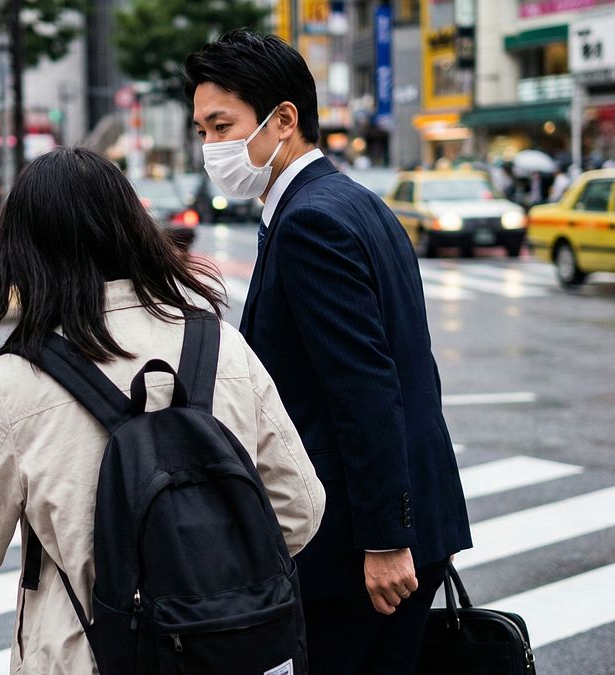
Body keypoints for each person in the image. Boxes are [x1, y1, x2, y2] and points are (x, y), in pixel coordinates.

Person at [0, 147, 325, 673]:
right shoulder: (220, 345)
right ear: (134, 228)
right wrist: (199, 576)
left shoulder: (18, 379)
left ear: (21, 249)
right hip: (227, 649)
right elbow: (300, 508)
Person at [186, 30, 472, 674]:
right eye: (202, 130)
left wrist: (383, 541)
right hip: (398, 526)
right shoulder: (358, 204)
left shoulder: (311, 222)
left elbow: (365, 387)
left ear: (283, 119)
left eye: (222, 125)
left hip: (358, 548)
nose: (211, 147)